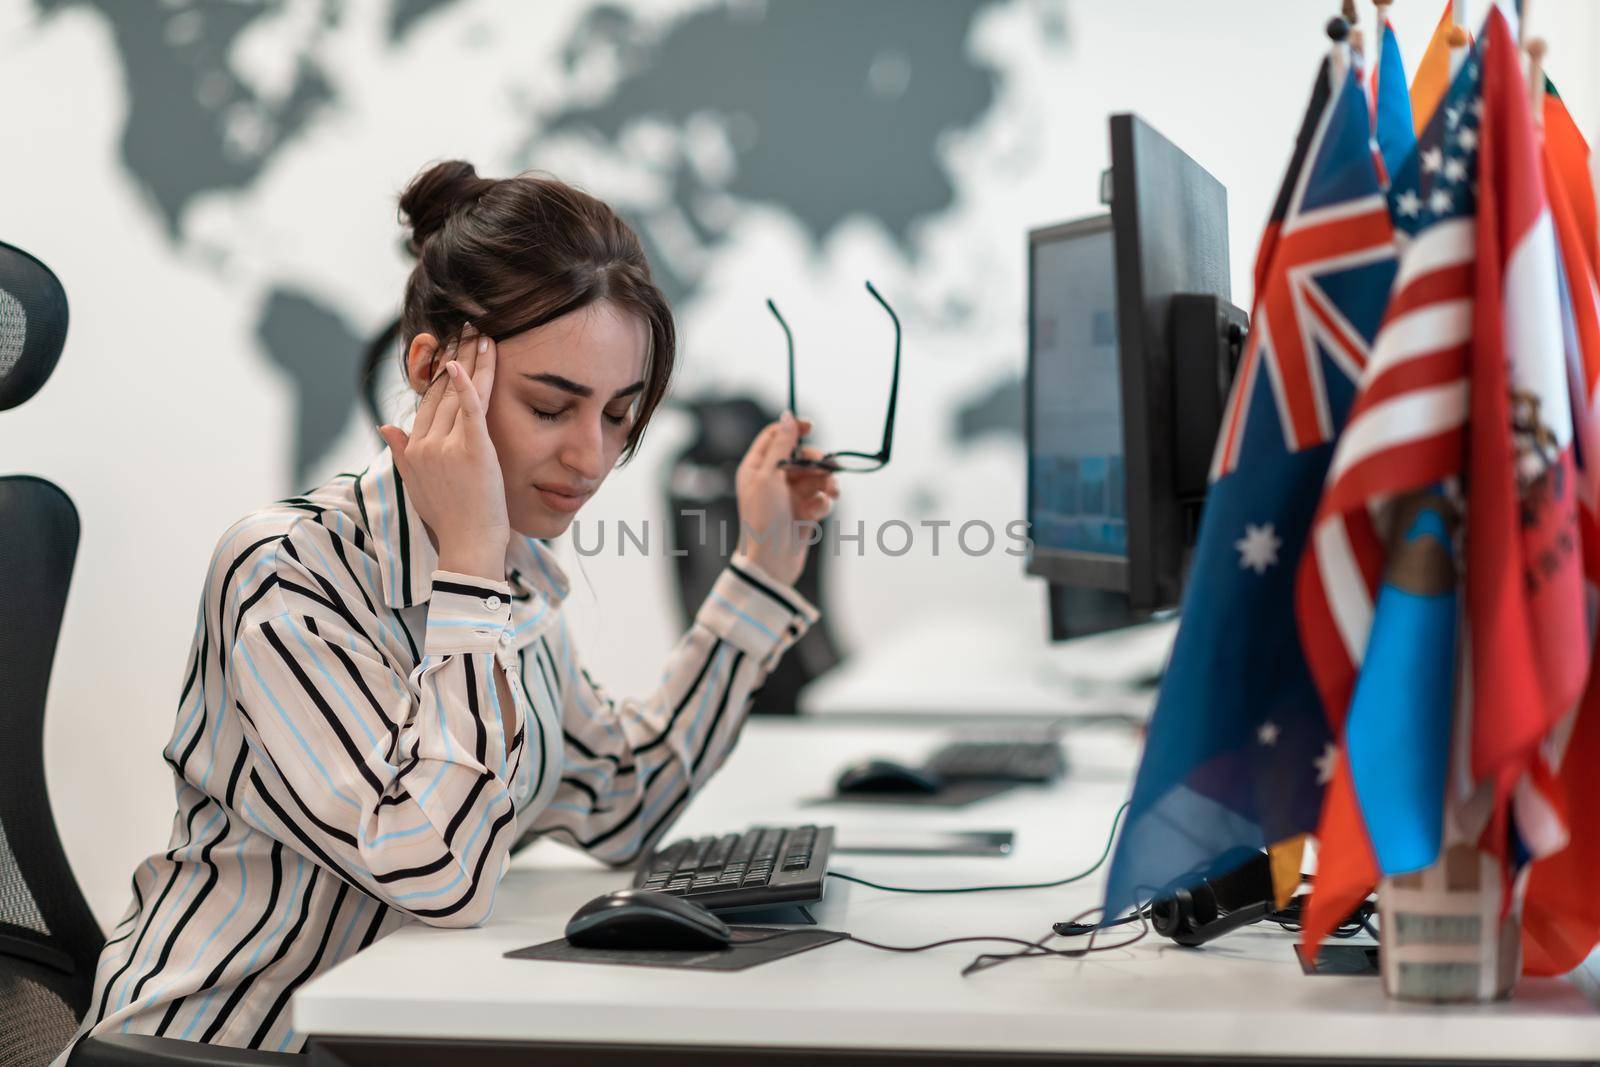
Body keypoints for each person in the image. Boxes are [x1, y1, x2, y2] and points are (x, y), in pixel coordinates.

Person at [58, 161, 838, 1058]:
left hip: (367, 1044)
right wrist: (470, 572)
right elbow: (437, 870)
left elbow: (624, 800)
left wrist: (763, 571)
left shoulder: (519, 579)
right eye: (552, 406)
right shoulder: (287, 574)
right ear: (434, 369)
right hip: (209, 1053)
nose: (591, 457)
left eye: (620, 417)